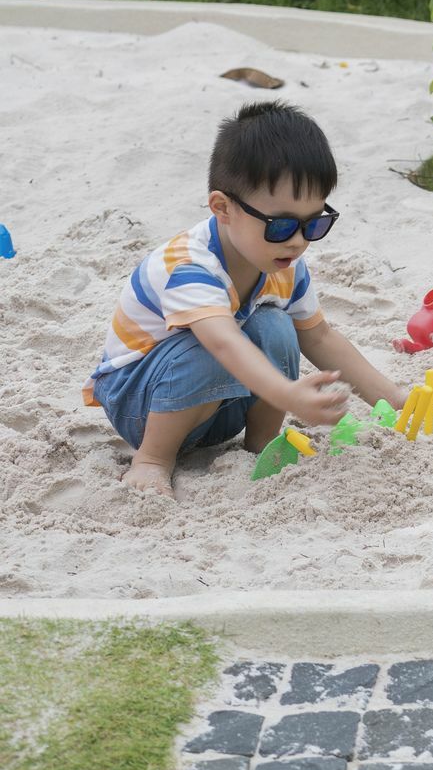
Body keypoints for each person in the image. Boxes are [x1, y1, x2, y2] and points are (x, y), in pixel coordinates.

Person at [85, 102, 408, 497]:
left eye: (315, 223)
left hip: (220, 405)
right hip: (141, 406)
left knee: (276, 324)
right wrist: (286, 393)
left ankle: (259, 446)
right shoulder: (186, 265)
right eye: (283, 225)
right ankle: (152, 460)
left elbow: (320, 337)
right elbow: (221, 340)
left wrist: (394, 401)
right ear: (222, 208)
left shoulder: (282, 263)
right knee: (209, 347)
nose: (298, 240)